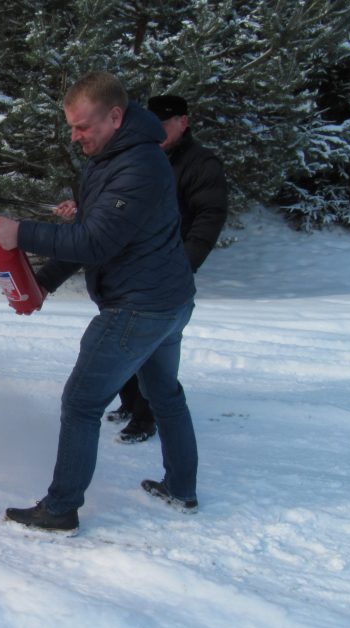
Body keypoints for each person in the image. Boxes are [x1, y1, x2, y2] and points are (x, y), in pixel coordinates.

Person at [0, 71, 199, 532]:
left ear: (116, 116)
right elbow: (98, 230)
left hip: (138, 306)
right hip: (168, 300)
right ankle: (181, 489)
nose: (75, 136)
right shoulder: (111, 156)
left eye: (83, 127)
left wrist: (21, 231)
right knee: (165, 393)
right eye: (71, 127)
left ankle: (61, 508)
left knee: (82, 403)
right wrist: (42, 281)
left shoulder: (139, 164)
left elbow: (97, 242)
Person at [110, 94, 229, 444]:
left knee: (151, 348)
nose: (158, 131)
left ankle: (147, 418)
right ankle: (130, 403)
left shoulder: (201, 163)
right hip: (132, 267)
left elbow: (210, 217)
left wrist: (185, 263)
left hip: (168, 272)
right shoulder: (141, 157)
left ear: (183, 122)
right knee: (125, 339)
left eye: (165, 124)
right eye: (153, 123)